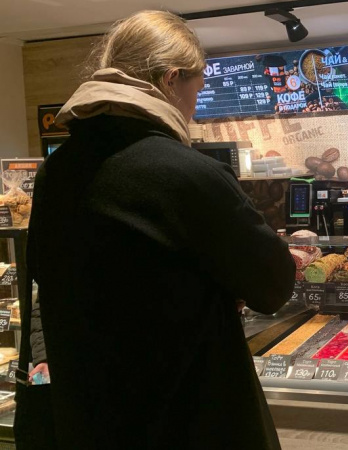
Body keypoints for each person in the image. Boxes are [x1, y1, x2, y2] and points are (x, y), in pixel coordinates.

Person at [21, 11, 295, 450]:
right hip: (188, 419)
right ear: (171, 80)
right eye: (196, 90)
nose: (194, 107)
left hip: (90, 419)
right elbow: (273, 286)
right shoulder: (189, 173)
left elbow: (55, 275)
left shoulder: (55, 173)